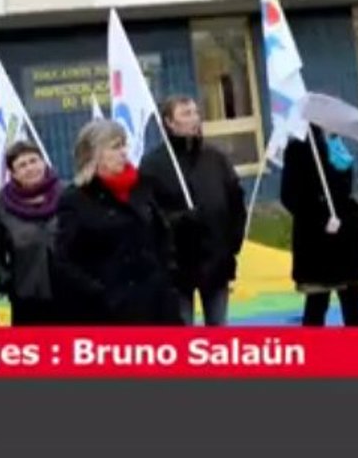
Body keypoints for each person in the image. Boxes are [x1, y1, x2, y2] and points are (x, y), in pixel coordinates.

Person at [53, 119, 182, 325]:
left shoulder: (142, 187)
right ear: (94, 154)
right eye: (115, 147)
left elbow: (161, 236)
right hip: (107, 313)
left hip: (157, 306)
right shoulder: (76, 199)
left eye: (124, 145)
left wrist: (167, 279)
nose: (124, 152)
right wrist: (99, 293)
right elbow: (65, 261)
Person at [140, 95, 246, 326]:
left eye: (195, 113)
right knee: (181, 329)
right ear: (169, 122)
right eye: (186, 114)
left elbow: (236, 200)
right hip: (176, 266)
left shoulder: (215, 158)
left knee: (218, 328)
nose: (194, 119)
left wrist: (233, 243)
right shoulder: (153, 165)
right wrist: (179, 220)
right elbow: (147, 214)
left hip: (216, 261)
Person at [281, 124, 358, 327]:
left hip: (345, 239)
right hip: (317, 244)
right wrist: (319, 218)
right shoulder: (297, 149)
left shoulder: (336, 145)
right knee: (316, 305)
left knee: (353, 306)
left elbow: (345, 185)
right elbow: (289, 196)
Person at [0, 140, 63, 325]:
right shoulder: (3, 208)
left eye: (33, 161)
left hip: (70, 293)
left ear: (43, 163)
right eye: (22, 165)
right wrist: (6, 281)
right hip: (28, 297)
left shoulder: (67, 195)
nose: (30, 168)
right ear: (13, 174)